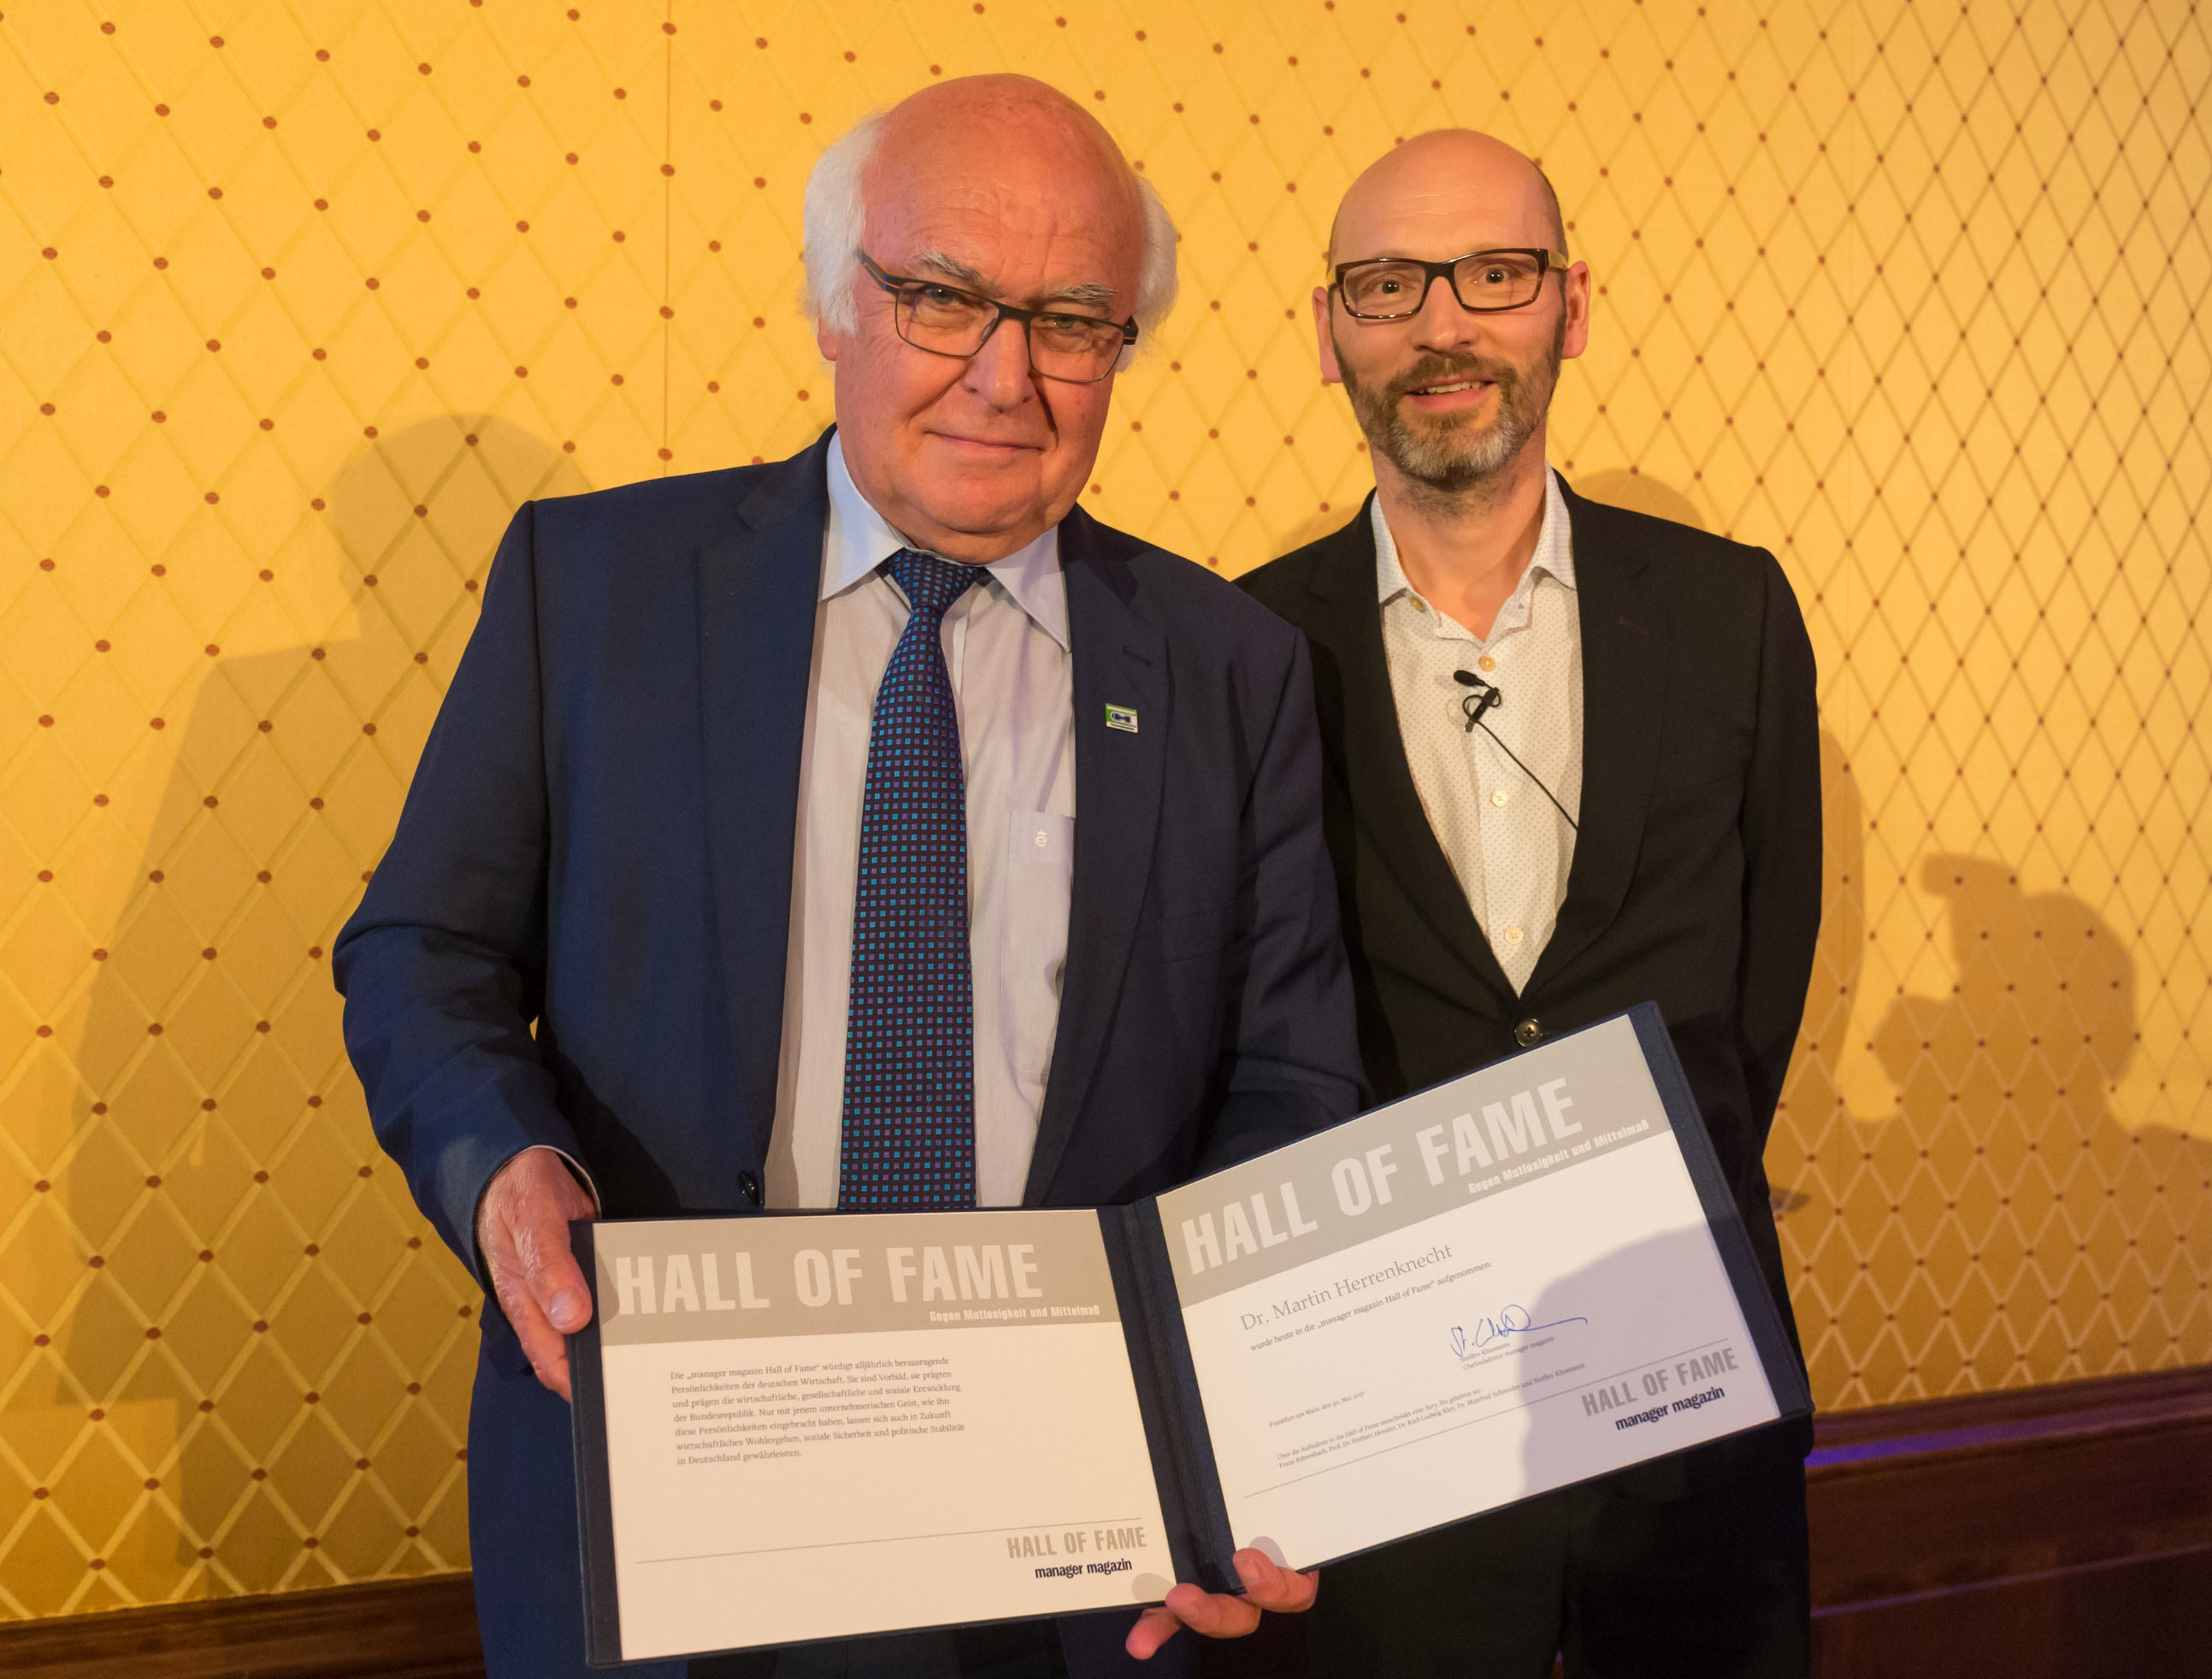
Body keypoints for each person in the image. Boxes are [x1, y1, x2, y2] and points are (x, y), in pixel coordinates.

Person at [335, 74, 1361, 1679]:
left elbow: (1289, 1084)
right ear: (835, 304)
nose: (1004, 376)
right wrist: (502, 1168)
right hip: (662, 1492)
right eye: (942, 297)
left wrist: (1245, 1423)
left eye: (1071, 322)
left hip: (1079, 1559)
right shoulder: (592, 588)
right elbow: (423, 949)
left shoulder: (1235, 666)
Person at [1239, 130, 1822, 1678]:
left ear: (1571, 304)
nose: (1444, 325)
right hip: (1380, 1464)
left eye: (1495, 273)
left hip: (1693, 1442)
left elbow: (1755, 1004)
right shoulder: (1240, 649)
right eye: (1388, 285)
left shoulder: (1734, 611)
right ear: (1328, 333)